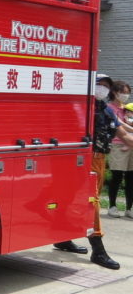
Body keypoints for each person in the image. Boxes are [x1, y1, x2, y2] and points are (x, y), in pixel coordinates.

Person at [54, 73, 121, 269]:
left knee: (70, 197)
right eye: (99, 84)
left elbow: (122, 132)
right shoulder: (80, 109)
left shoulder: (106, 110)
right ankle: (98, 250)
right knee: (93, 202)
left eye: (106, 85)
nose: (103, 88)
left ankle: (62, 238)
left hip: (99, 159)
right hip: (83, 160)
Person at [107, 80, 133, 218]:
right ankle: (112, 206)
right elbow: (120, 124)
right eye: (123, 92)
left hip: (131, 144)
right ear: (114, 92)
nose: (125, 95)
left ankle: (129, 208)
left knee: (131, 177)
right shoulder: (109, 108)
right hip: (118, 144)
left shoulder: (127, 108)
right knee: (117, 176)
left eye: (127, 92)